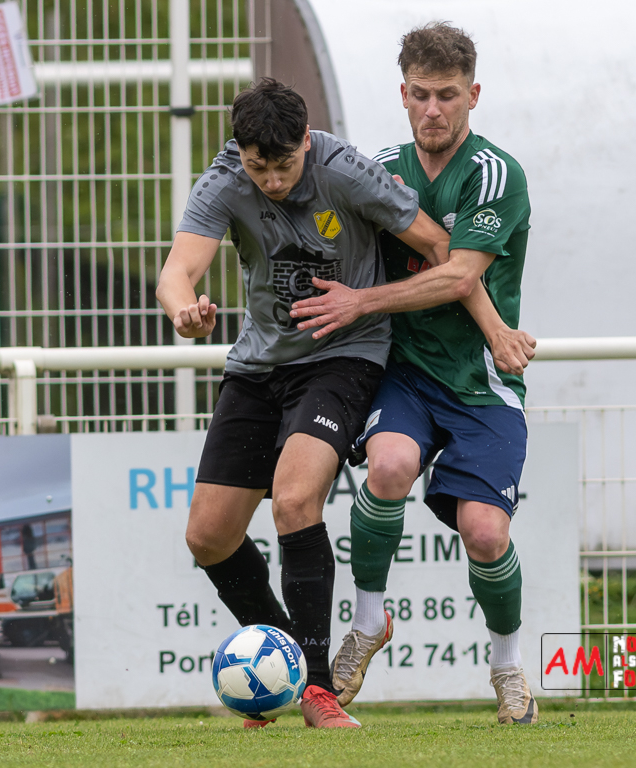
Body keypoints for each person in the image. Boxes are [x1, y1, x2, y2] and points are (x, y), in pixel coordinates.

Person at [156, 78, 484, 729]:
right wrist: (184, 311)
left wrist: (463, 329)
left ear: (306, 141)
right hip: (258, 368)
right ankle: (285, 668)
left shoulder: (345, 171)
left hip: (344, 357)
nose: (272, 181)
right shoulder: (225, 179)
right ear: (241, 152)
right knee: (208, 536)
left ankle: (317, 689)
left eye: (283, 164)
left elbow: (439, 248)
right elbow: (176, 271)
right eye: (259, 167)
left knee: (294, 499)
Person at [289, 22, 539, 725]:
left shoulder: (496, 174)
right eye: (421, 94)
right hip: (401, 371)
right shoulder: (376, 168)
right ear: (402, 94)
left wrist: (363, 301)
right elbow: (333, 238)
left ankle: (507, 663)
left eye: (448, 96)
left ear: (473, 95)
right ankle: (368, 622)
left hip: (481, 384)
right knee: (390, 464)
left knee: (485, 534)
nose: (433, 110)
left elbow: (457, 273)